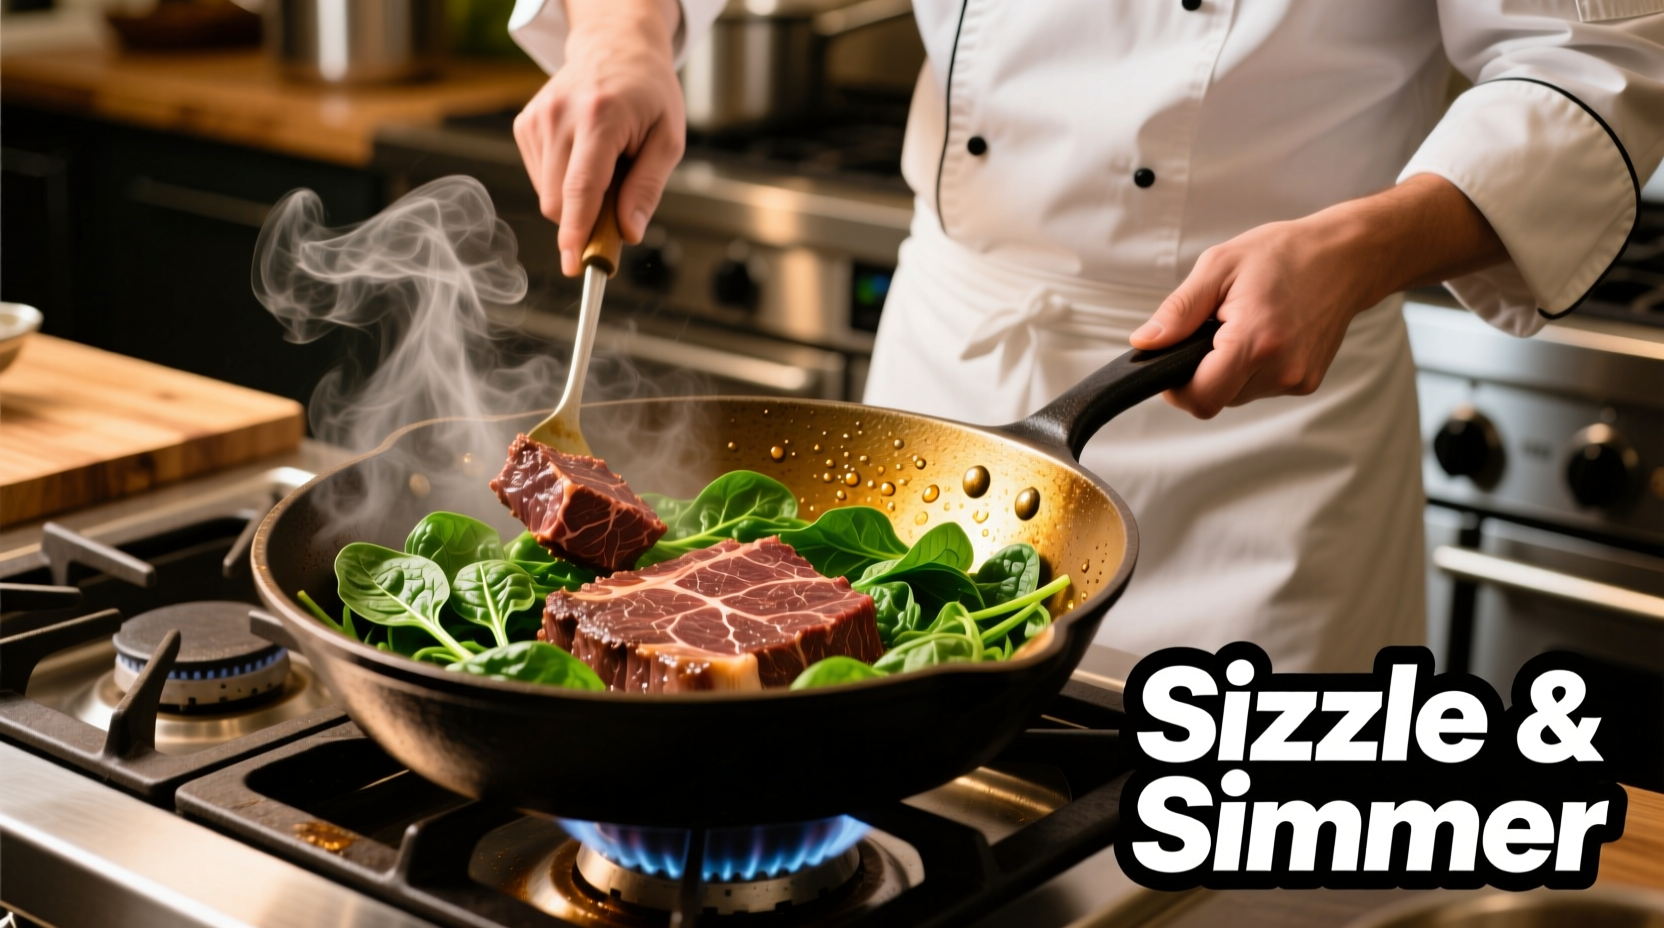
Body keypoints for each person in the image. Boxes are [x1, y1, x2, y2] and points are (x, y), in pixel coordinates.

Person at [506, 0, 1664, 671]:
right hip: (940, 394)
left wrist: (1357, 250)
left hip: (1259, 429)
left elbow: (1597, 63)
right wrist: (621, 37)